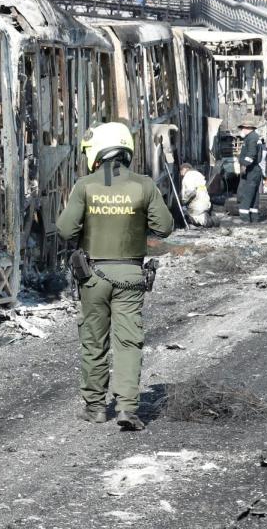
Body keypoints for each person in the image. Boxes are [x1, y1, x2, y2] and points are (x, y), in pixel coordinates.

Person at [56, 122, 174, 431]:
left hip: (93, 275)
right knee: (128, 341)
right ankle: (127, 409)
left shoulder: (86, 185)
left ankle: (95, 408)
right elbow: (165, 227)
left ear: (96, 151)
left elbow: (66, 230)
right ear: (125, 148)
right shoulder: (143, 184)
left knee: (94, 341)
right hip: (131, 276)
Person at [236, 116, 266, 222]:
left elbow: (251, 154)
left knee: (247, 194)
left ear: (247, 128)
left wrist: (244, 164)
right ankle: (254, 218)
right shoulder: (252, 137)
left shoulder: (252, 138)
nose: (241, 130)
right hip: (254, 171)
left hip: (252, 171)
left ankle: (244, 219)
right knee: (254, 196)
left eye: (242, 128)